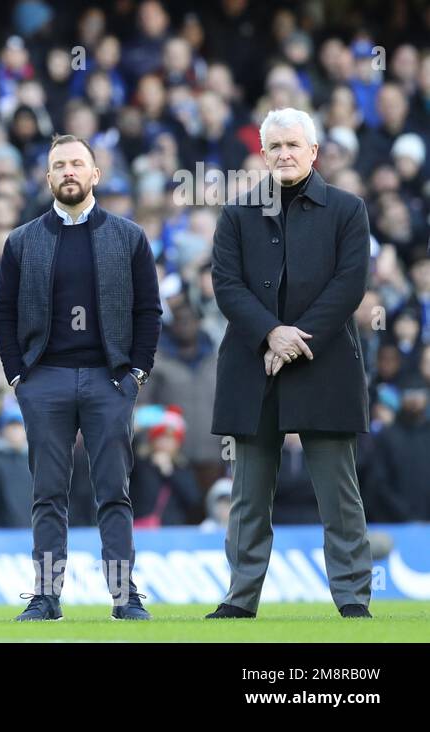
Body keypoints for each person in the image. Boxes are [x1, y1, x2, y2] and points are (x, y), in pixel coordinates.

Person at [208, 107, 373, 619]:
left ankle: (352, 600)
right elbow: (226, 286)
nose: (283, 154)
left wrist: (295, 339)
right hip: (252, 366)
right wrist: (270, 334)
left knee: (339, 496)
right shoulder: (236, 214)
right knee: (248, 497)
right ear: (263, 153)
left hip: (322, 365)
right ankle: (239, 601)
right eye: (274, 146)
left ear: (314, 152)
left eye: (293, 145)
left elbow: (349, 285)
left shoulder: (348, 210)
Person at [0, 134, 162, 621]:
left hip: (111, 383)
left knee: (114, 491)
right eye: (59, 165)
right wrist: (17, 376)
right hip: (44, 381)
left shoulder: (128, 236)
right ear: (47, 178)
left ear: (95, 174)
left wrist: (136, 372)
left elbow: (148, 310)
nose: (68, 171)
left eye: (77, 164)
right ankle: (46, 596)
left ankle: (123, 594)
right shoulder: (23, 240)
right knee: (47, 493)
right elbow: (2, 314)